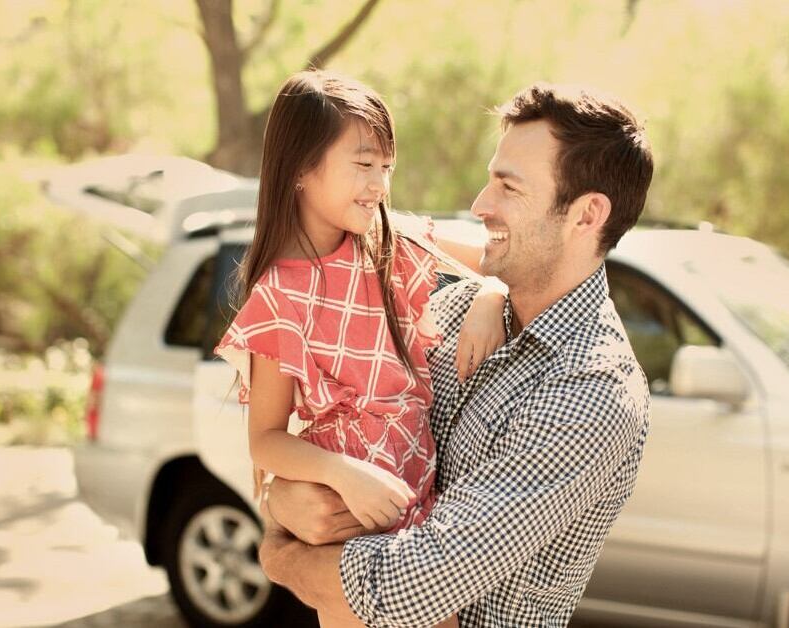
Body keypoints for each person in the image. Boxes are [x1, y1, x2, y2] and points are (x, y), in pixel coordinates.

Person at [258, 82, 655, 627]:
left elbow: (413, 585)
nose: (478, 205)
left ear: (586, 216)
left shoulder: (591, 390)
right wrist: (283, 501)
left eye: (508, 188)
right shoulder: (447, 313)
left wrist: (282, 555)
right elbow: (328, 437)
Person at [213, 70, 509, 627]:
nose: (378, 184)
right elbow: (267, 439)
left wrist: (490, 297)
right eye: (363, 165)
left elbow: (499, 260)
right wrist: (347, 475)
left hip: (422, 516)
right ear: (301, 167)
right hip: (350, 531)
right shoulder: (279, 295)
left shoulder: (392, 240)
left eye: (386, 168)